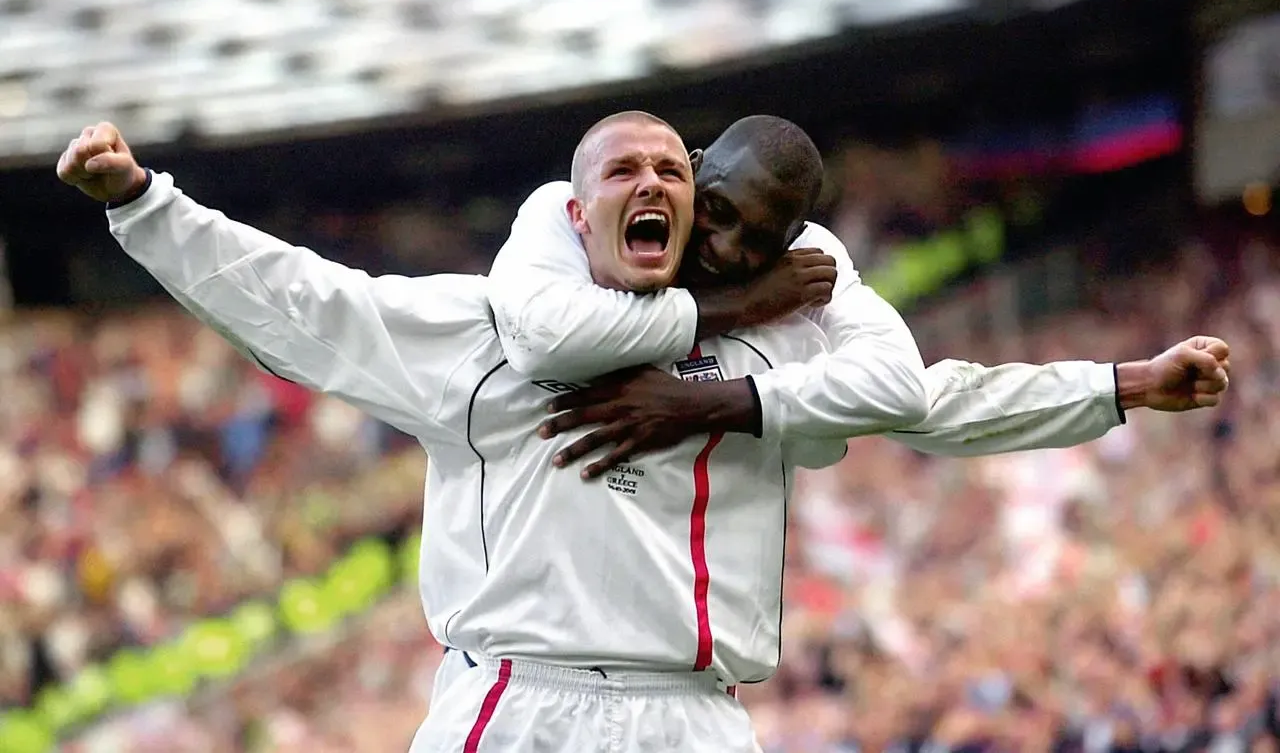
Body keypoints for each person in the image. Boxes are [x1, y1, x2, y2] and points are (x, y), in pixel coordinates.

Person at [57, 117, 1228, 753]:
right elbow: (310, 302)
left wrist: (1119, 382)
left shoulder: (777, 349)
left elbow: (933, 400)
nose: (654, 182)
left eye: (676, 167)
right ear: (578, 213)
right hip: (516, 708)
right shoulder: (489, 329)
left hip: (694, 715)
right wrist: (146, 206)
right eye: (624, 168)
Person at [487, 114, 1231, 477]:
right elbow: (540, 335)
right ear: (695, 170)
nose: (721, 248)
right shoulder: (573, 221)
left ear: (792, 238)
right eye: (714, 212)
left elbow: (916, 394)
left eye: (755, 238)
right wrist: (734, 308)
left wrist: (1127, 383)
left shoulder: (807, 276)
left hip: (696, 690)